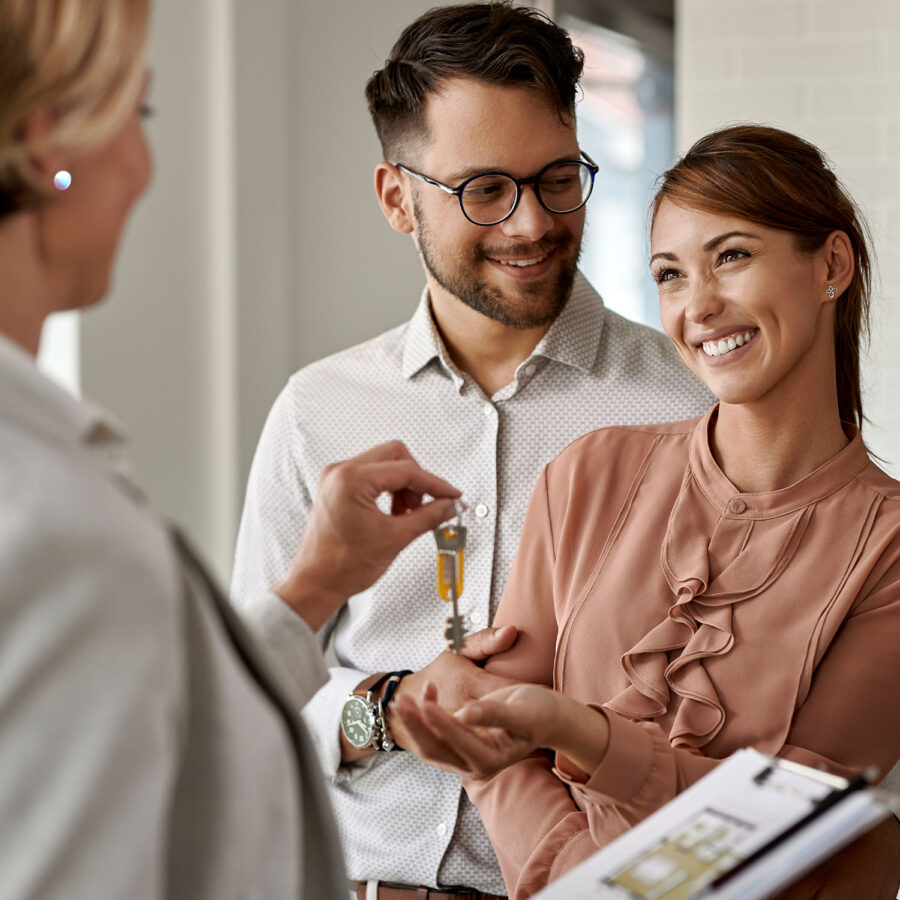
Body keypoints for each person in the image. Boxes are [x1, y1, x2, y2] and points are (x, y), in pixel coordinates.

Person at [231, 4, 711, 898]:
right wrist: (387, 711)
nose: (531, 224)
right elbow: (245, 709)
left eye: (557, 178)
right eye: (483, 189)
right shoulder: (317, 413)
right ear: (396, 199)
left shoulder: (687, 411)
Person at [0, 2, 463, 897]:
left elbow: (171, 718)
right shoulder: (50, 525)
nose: (144, 167)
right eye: (139, 114)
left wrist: (317, 586)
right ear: (51, 142)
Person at [392, 124, 900, 899]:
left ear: (831, 265)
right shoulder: (589, 473)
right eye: (669, 274)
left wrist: (577, 733)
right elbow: (497, 752)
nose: (698, 306)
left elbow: (793, 826)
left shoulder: (889, 545)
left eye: (731, 256)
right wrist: (576, 876)